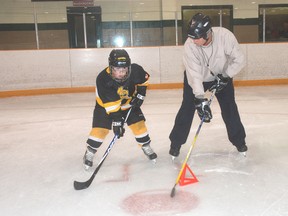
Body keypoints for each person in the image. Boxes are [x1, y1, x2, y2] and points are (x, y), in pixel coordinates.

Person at [169, 13, 247, 159]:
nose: (193, 41)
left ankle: (239, 141)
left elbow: (240, 60)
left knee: (229, 107)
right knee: (187, 107)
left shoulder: (225, 36)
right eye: (191, 37)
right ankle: (176, 143)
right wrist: (200, 98)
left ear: (208, 33)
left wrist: (226, 75)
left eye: (197, 37)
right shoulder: (189, 45)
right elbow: (194, 74)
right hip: (198, 77)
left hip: (222, 75)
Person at [83, 49, 157, 170]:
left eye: (124, 69)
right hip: (105, 107)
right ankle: (90, 152)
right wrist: (117, 122)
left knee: (139, 126)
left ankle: (145, 146)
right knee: (99, 131)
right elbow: (112, 107)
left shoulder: (135, 70)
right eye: (117, 70)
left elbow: (144, 81)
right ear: (111, 68)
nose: (121, 73)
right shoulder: (103, 79)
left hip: (128, 104)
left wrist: (141, 94)